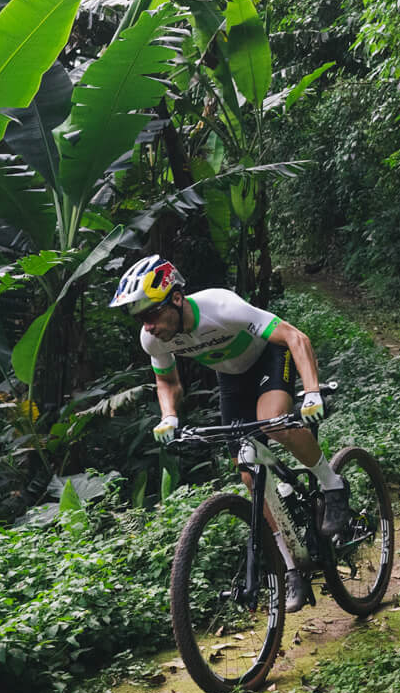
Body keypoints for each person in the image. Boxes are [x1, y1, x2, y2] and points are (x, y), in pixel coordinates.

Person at [108, 255, 344, 611]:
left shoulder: (222, 306)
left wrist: (311, 392)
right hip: (231, 378)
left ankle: (332, 484)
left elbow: (295, 337)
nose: (148, 326)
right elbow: (167, 381)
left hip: (268, 355)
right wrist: (169, 416)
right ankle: (291, 567)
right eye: (141, 319)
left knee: (271, 422)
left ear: (175, 298)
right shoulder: (153, 340)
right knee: (248, 472)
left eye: (152, 315)